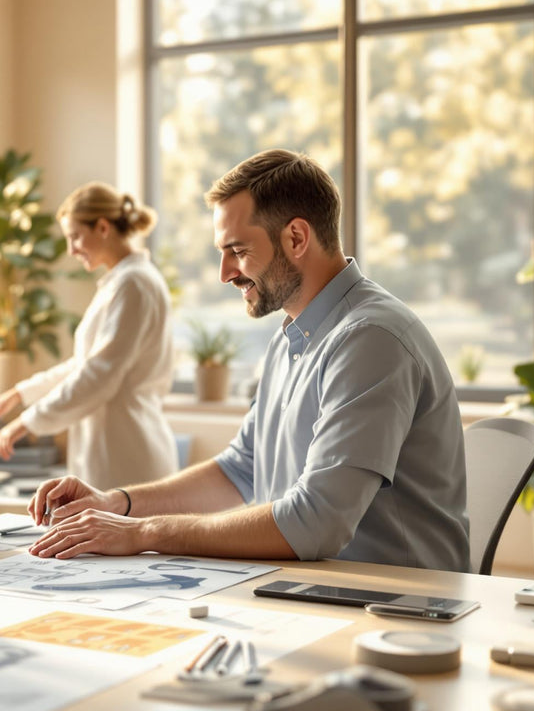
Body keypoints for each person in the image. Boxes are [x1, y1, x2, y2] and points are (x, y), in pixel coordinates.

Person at [25, 149, 469, 573]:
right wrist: (115, 504)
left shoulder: (370, 339)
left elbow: (315, 523)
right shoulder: (292, 337)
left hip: (392, 608)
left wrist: (143, 532)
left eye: (237, 250)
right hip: (315, 588)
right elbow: (240, 469)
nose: (225, 273)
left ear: (296, 237)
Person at [0, 184, 178, 490]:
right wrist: (19, 394)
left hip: (128, 461)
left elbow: (99, 375)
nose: (71, 249)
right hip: (112, 455)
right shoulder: (122, 282)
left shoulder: (133, 284)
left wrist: (29, 421)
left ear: (103, 227)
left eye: (75, 236)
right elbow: (85, 365)